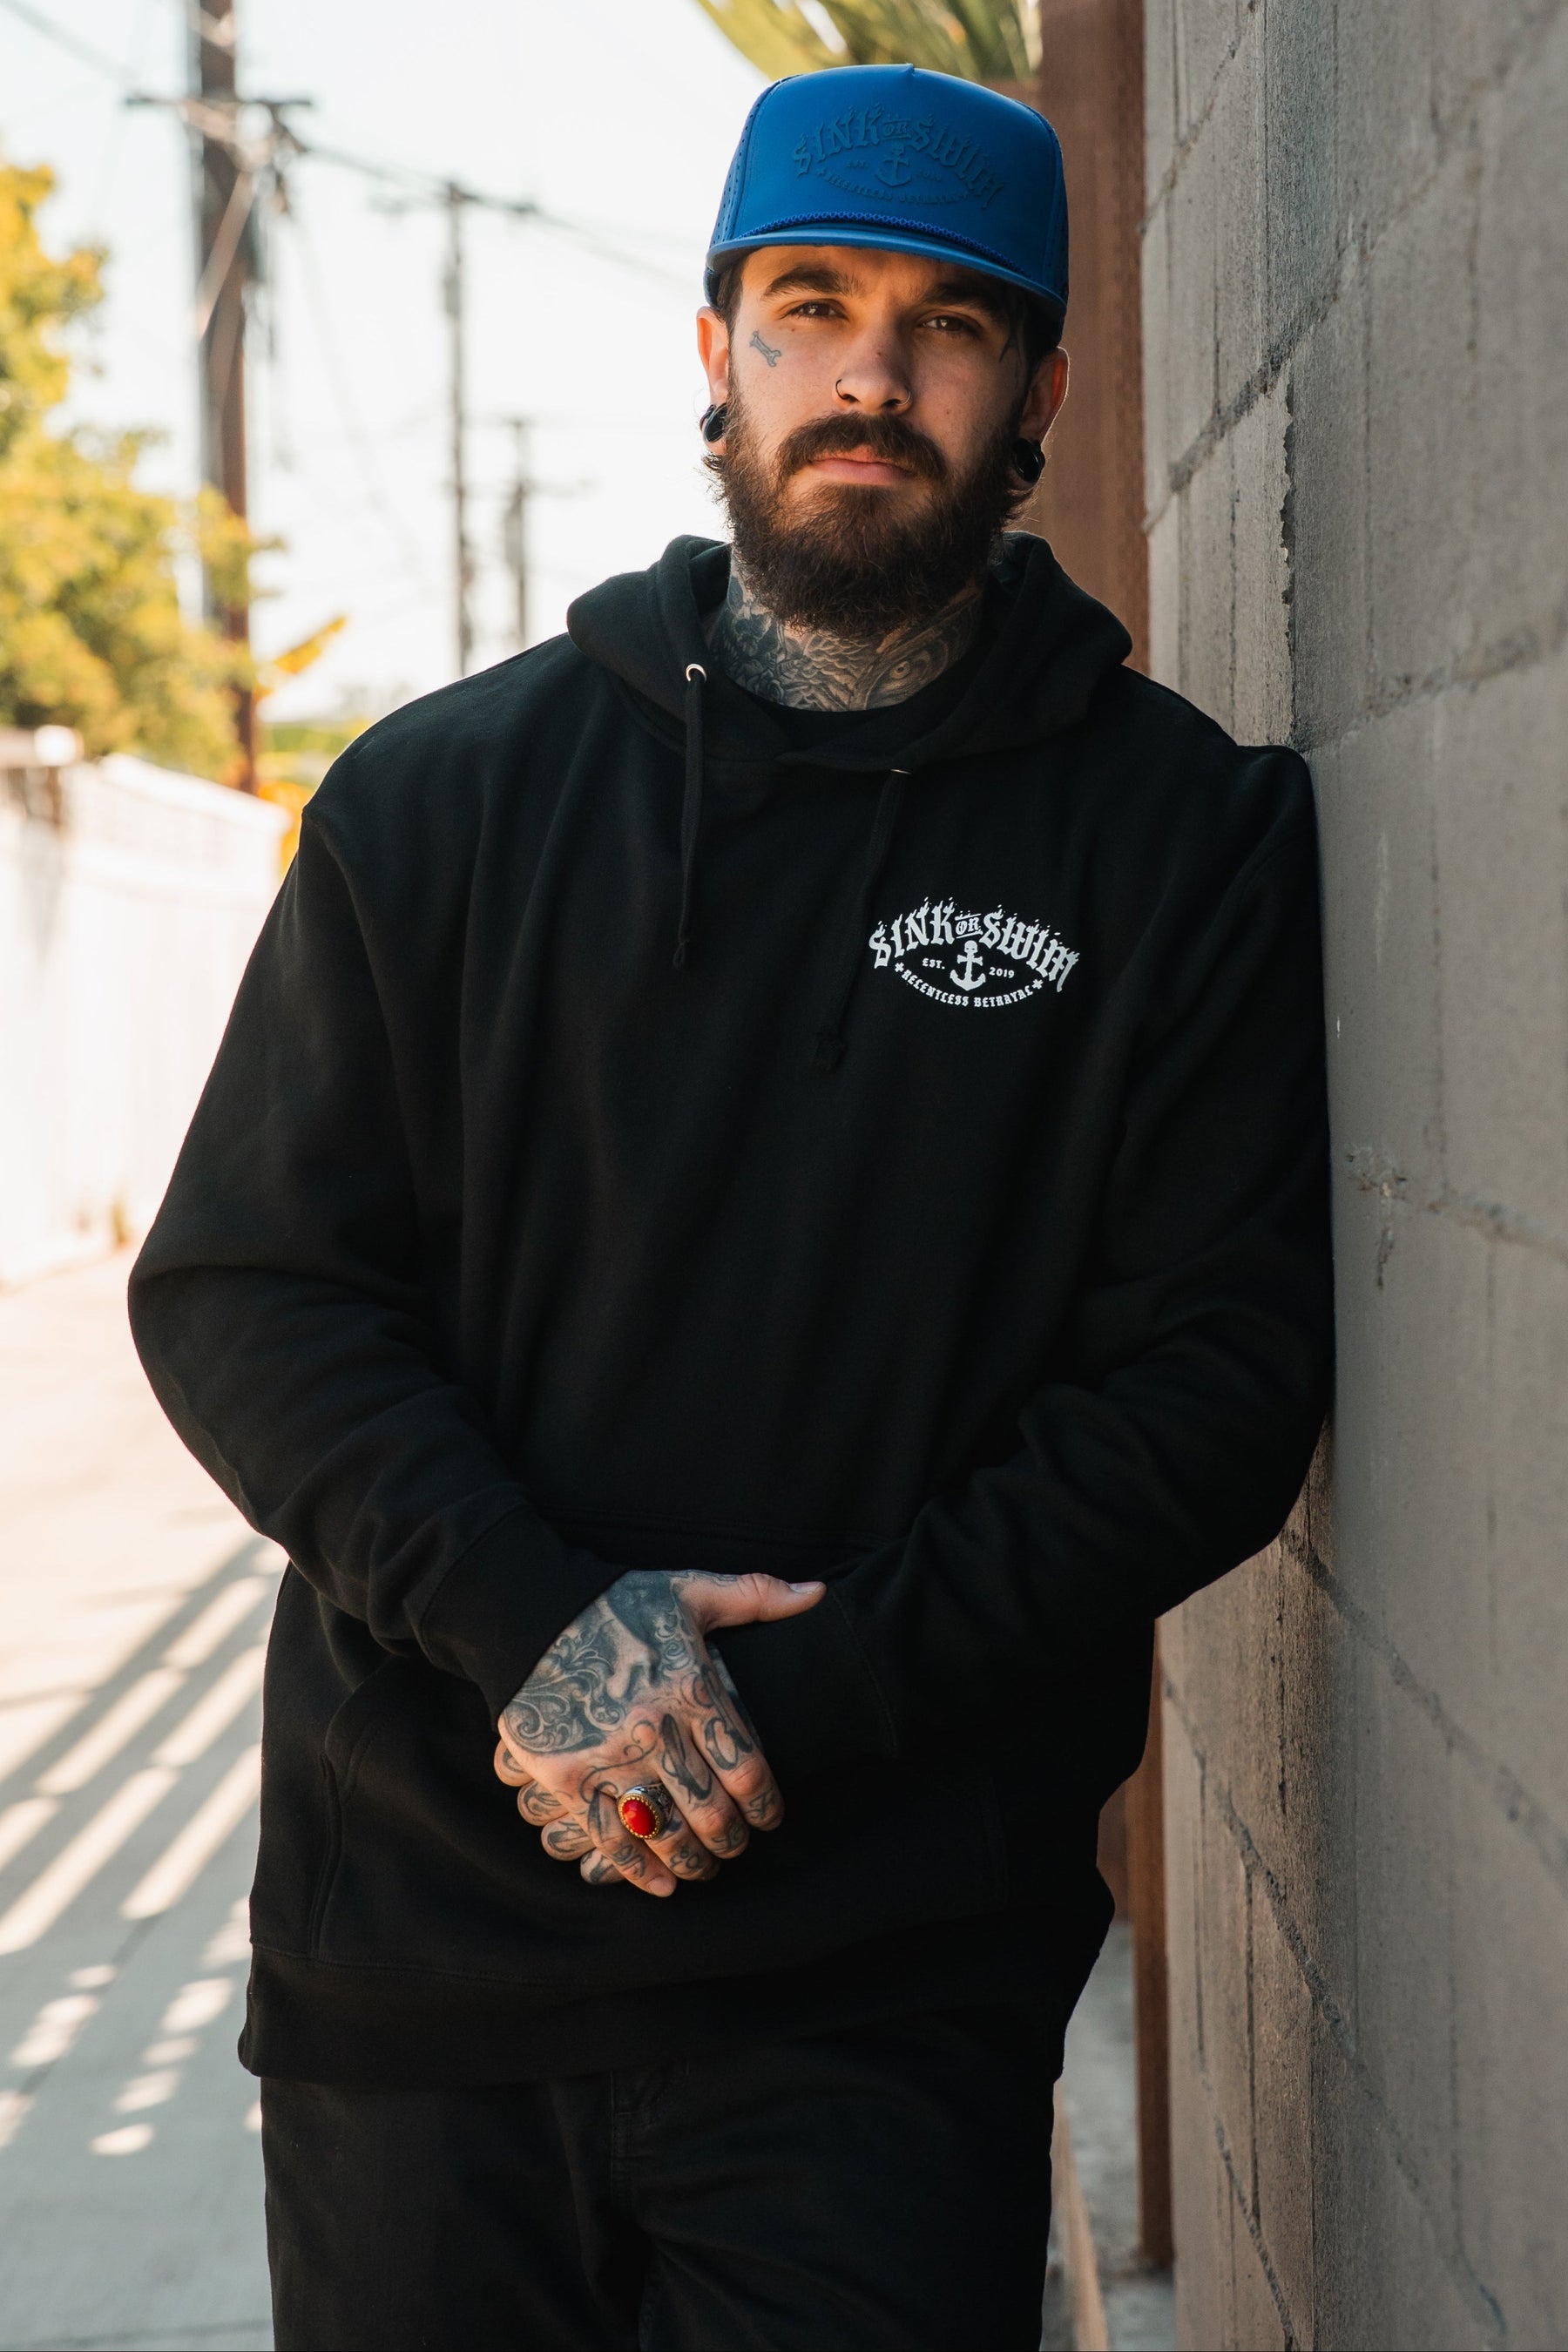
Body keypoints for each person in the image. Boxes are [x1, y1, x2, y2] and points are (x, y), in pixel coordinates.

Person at [130, 62, 1331, 2352]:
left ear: (1040, 390)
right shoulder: (442, 804)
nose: (870, 373)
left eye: (950, 325)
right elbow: (253, 1290)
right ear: (717, 351)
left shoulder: (1175, 843)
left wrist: (783, 1702)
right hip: (422, 1981)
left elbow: (1214, 1380)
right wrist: (542, 1625)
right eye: (810, 305)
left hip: (879, 1999)